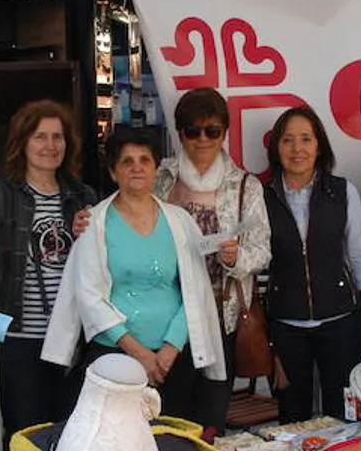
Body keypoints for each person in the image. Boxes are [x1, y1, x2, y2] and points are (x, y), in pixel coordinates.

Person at [42, 125, 225, 410]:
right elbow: (90, 296)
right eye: (127, 161)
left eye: (145, 160)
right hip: (114, 356)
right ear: (113, 172)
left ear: (155, 169)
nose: (137, 168)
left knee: (173, 442)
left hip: (172, 359)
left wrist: (171, 347)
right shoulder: (94, 222)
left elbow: (194, 290)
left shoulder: (180, 221)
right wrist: (138, 352)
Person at [154, 88, 271, 435]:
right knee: (170, 411)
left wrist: (237, 258)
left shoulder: (244, 185)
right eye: (193, 130)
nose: (202, 139)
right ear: (180, 132)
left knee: (211, 414)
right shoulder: (161, 178)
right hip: (169, 312)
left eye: (212, 131)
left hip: (223, 312)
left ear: (224, 133)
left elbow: (262, 248)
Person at [0, 101, 95, 451]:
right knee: (25, 438)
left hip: (70, 339)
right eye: (40, 137)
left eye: (58, 137)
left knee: (71, 437)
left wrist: (86, 234)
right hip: (19, 339)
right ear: (22, 142)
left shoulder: (82, 196)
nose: (51, 146)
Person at [264, 105, 361, 422]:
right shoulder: (262, 196)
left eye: (306, 139)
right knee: (292, 415)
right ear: (276, 147)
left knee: (343, 412)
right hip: (286, 324)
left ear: (319, 146)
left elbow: (359, 257)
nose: (297, 149)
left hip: (340, 319)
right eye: (288, 140)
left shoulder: (342, 192)